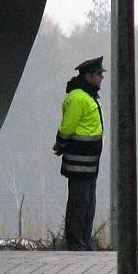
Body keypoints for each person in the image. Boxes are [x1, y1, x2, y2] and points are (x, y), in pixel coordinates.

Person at [52, 56, 105, 251]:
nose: (101, 78)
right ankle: (75, 242)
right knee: (79, 201)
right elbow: (67, 127)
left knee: (88, 202)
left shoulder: (87, 96)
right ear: (88, 75)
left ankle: (84, 240)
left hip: (89, 162)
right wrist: (61, 144)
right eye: (99, 74)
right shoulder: (78, 97)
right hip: (79, 161)